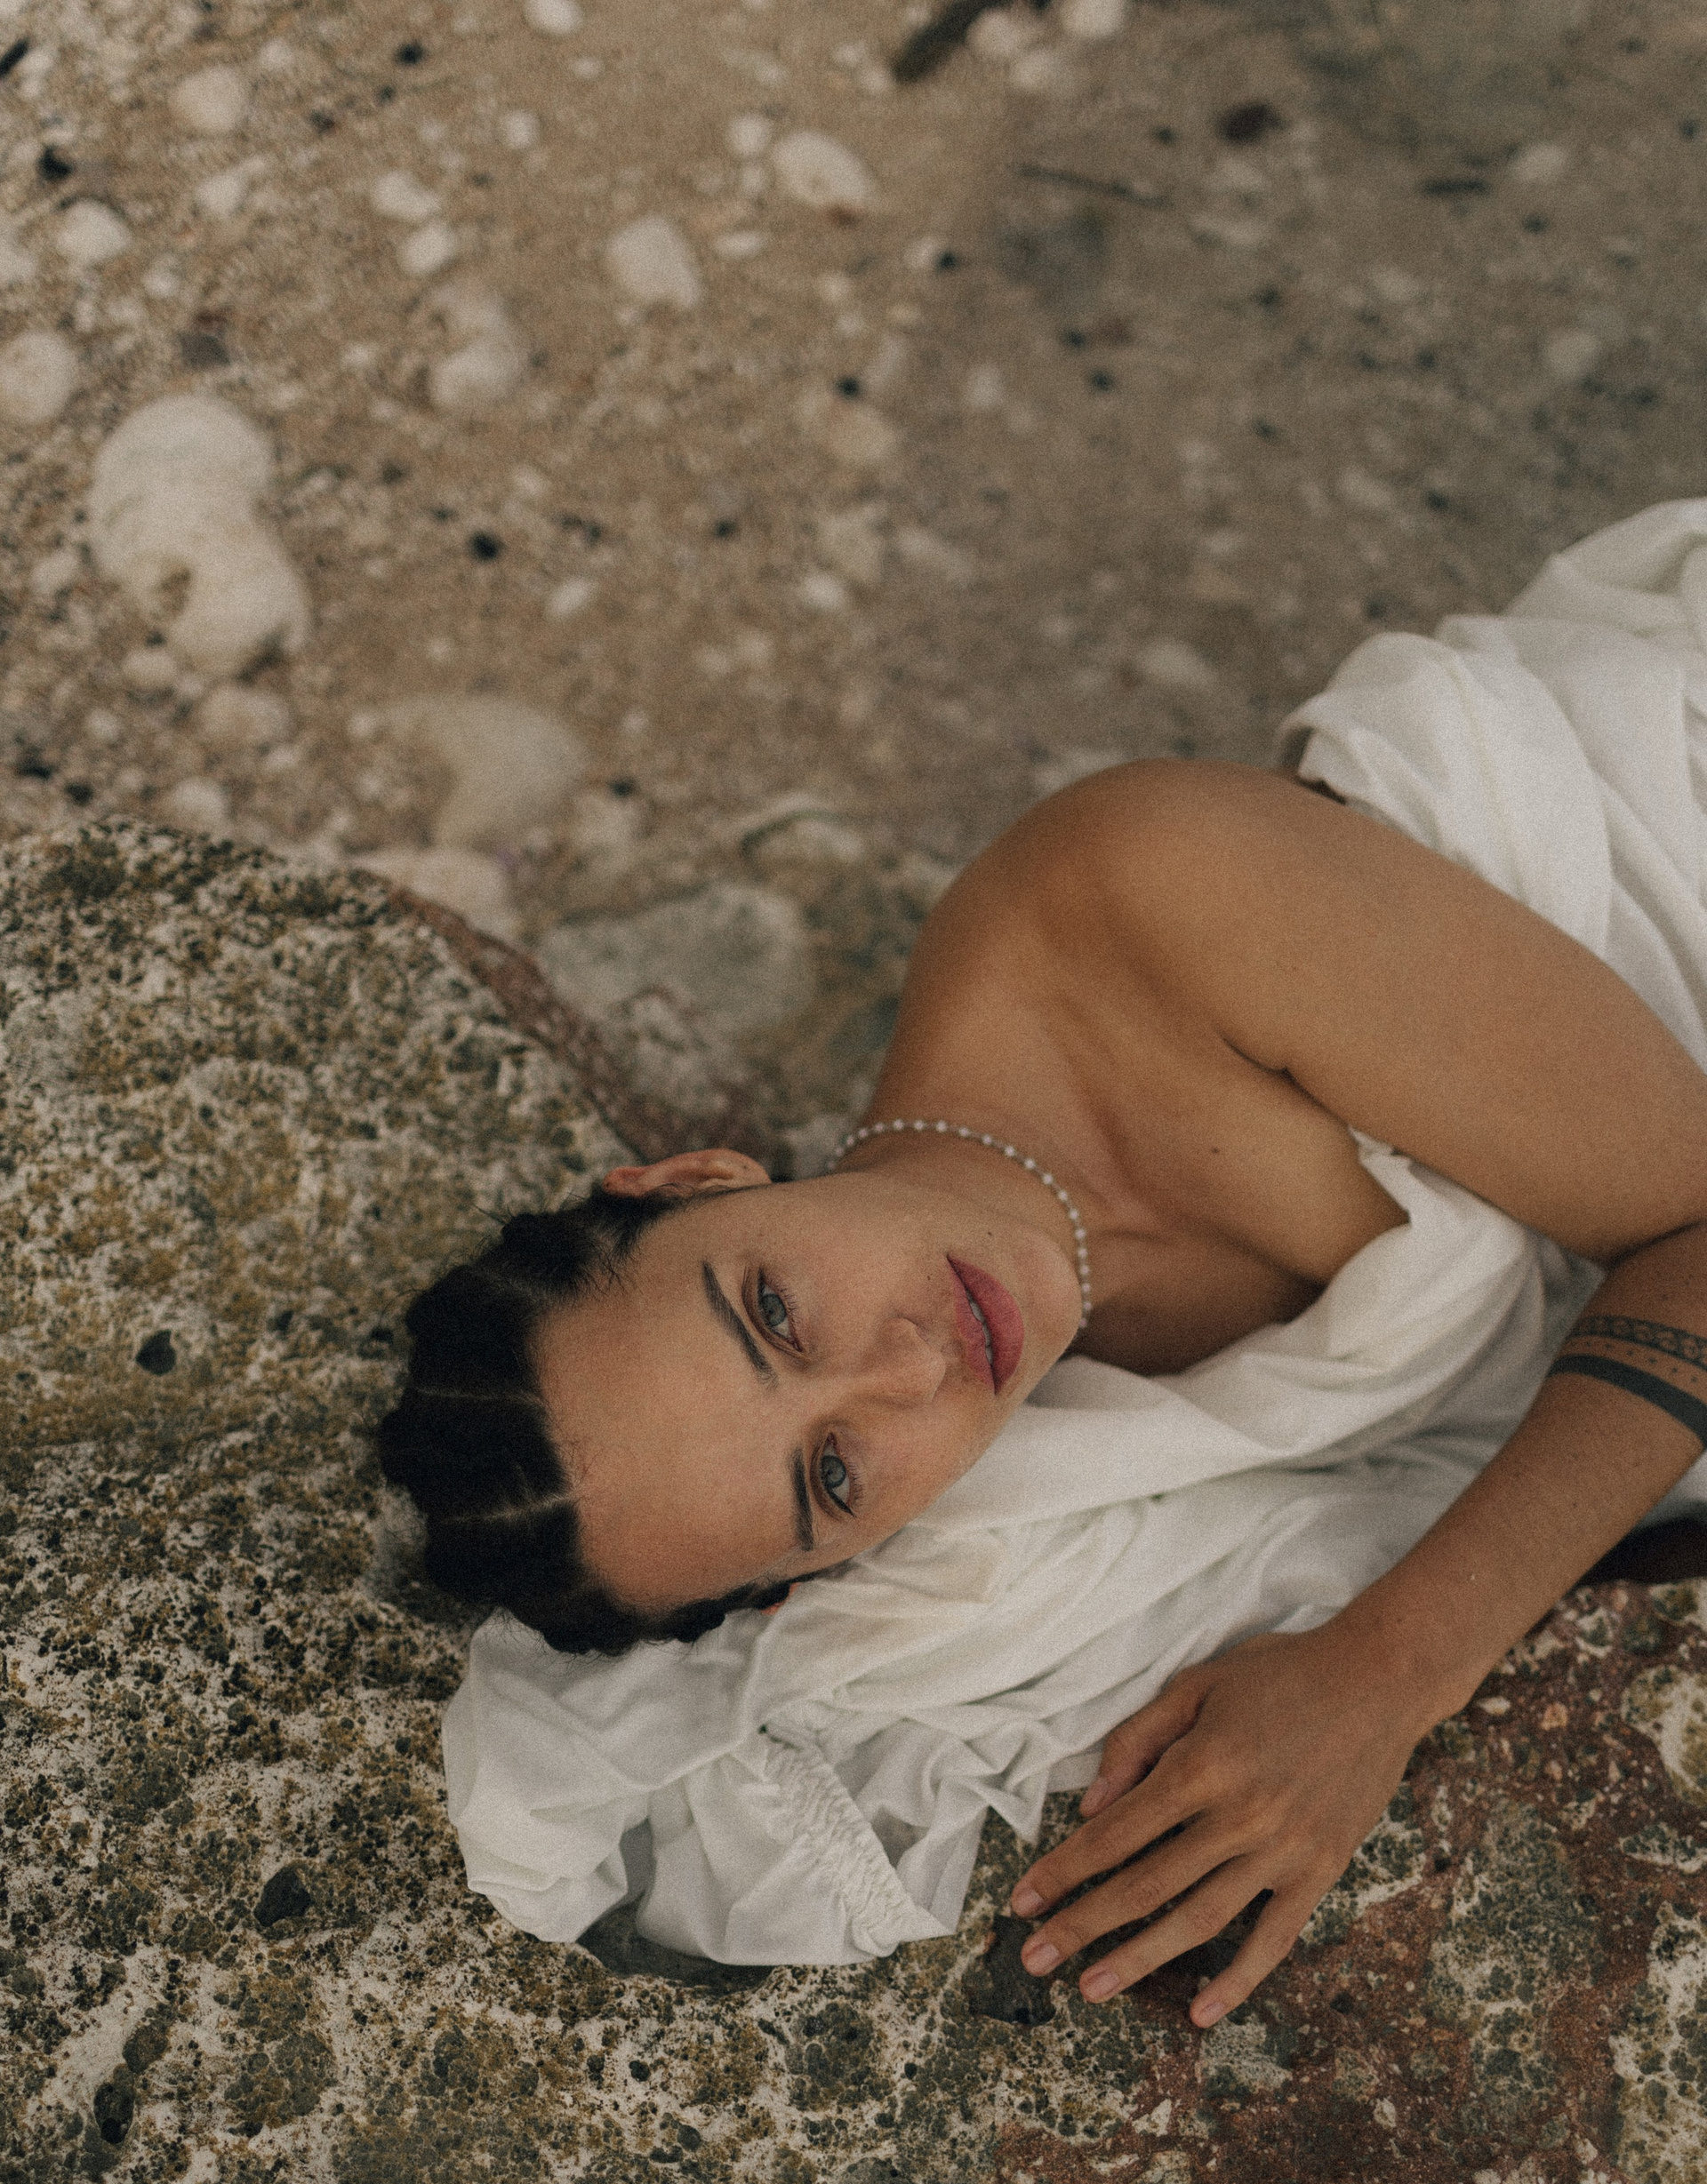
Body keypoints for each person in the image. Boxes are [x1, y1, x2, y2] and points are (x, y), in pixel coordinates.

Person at [381, 500, 1707, 2018]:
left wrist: (1383, 1675)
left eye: (776, 1311)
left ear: (696, 1179)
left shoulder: (1147, 892)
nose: (909, 1370)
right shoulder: (1012, 1475)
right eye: (832, 1476)